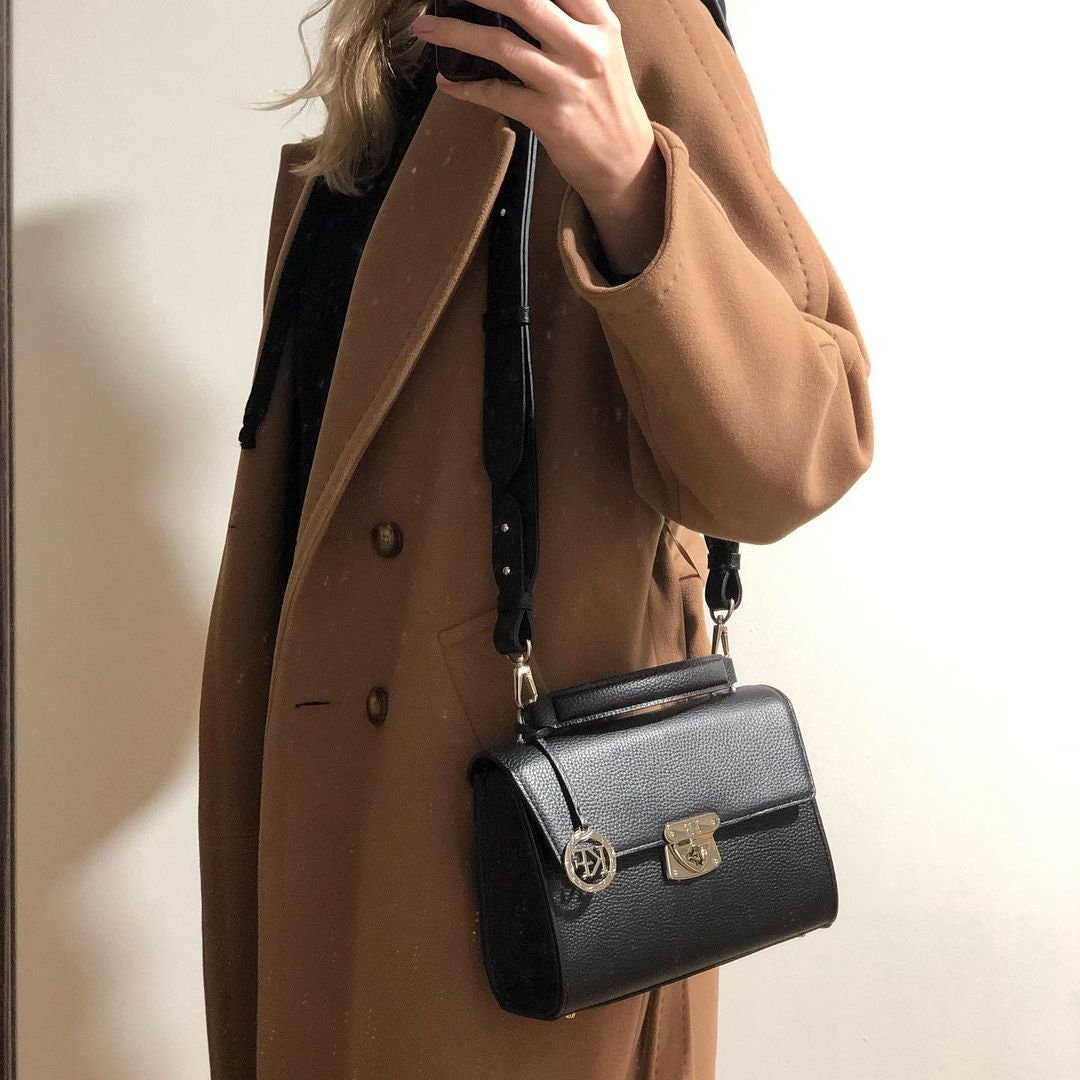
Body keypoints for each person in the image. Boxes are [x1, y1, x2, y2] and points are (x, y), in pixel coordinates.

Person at [198, 1, 875, 1078]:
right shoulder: (399, 54)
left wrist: (631, 179)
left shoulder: (631, 23)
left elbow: (802, 448)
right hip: (334, 811)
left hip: (526, 859)